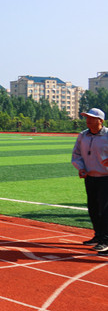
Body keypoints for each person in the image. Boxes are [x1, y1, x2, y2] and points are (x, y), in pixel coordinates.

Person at [71, 108, 108, 254]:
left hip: (106, 178)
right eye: (87, 117)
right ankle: (98, 235)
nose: (88, 120)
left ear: (100, 121)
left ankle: (105, 240)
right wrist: (80, 167)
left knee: (105, 210)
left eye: (92, 118)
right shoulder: (83, 136)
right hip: (90, 177)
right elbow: (76, 154)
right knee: (93, 209)